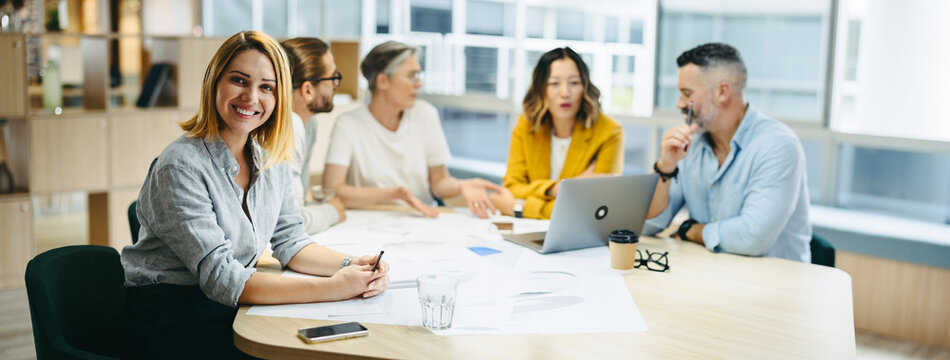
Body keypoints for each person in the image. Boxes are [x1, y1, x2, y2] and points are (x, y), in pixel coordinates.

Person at [119, 31, 390, 359]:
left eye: (266, 87)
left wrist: (352, 265)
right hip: (169, 315)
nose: (251, 97)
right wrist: (335, 287)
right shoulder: (181, 165)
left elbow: (291, 241)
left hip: (229, 306)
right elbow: (222, 278)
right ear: (214, 82)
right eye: (239, 80)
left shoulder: (269, 154)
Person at [643, 43, 811, 262]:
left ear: (722, 92)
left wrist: (690, 230)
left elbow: (752, 237)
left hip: (776, 285)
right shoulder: (690, 144)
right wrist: (665, 167)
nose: (679, 103)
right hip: (714, 274)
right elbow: (651, 225)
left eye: (687, 93)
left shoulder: (777, 145)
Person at [323, 40, 502, 219]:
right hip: (368, 220)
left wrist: (462, 185)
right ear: (383, 81)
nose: (419, 84)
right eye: (411, 76)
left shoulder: (425, 114)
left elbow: (439, 182)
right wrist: (394, 194)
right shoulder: (348, 123)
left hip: (420, 218)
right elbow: (332, 190)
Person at [491, 47, 624, 219]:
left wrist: (522, 208)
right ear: (541, 89)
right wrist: (555, 188)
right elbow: (512, 187)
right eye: (554, 83)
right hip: (526, 231)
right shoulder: (526, 125)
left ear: (585, 86)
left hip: (578, 232)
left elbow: (595, 208)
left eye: (574, 83)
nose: (565, 93)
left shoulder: (610, 132)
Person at [280, 37, 346, 234]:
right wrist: (332, 211)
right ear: (308, 89)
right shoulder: (290, 124)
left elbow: (298, 205)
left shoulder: (309, 123)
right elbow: (292, 222)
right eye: (331, 77)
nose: (336, 84)